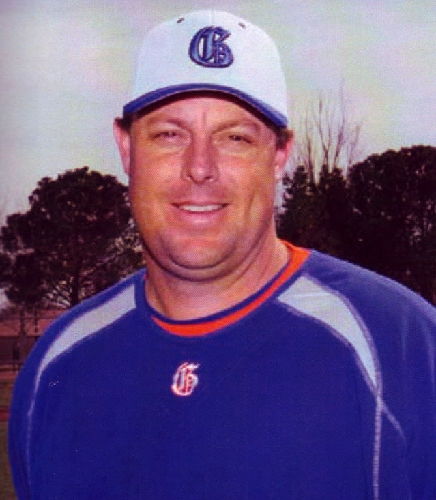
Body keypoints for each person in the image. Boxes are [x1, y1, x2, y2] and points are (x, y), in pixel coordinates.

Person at [8, 10, 436, 500]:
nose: (200, 168)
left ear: (279, 155)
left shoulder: (400, 346)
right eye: (169, 134)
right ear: (126, 147)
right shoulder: (57, 368)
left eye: (235, 138)